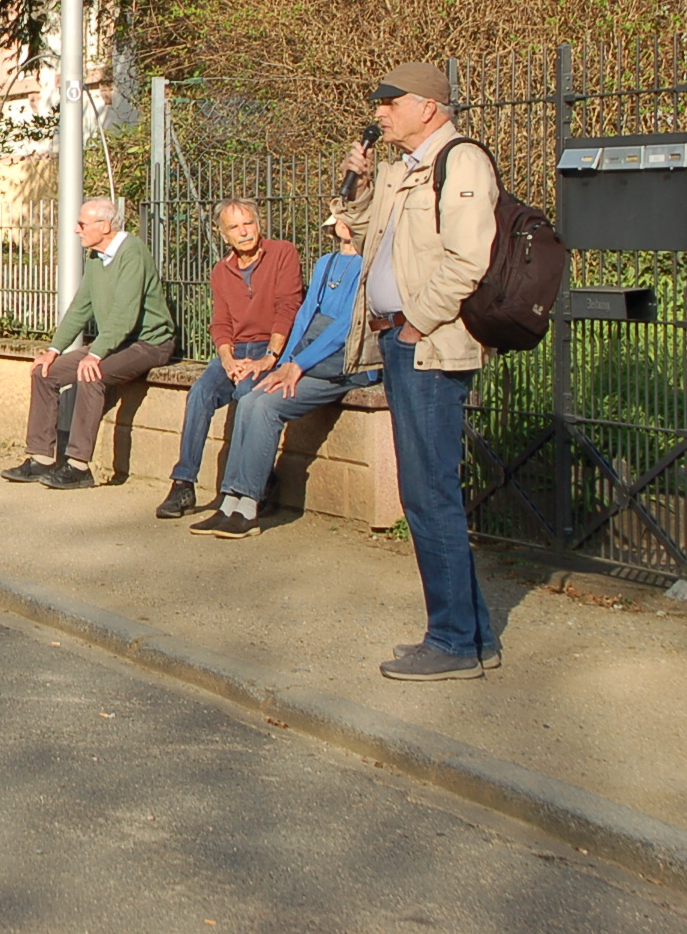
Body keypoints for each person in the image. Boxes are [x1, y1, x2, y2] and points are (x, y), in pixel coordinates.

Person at [336, 62, 501, 681]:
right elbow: (359, 233)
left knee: (430, 494)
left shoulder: (460, 163)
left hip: (430, 346)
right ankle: (471, 634)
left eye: (391, 102)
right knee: (426, 491)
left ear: (429, 107)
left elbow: (467, 261)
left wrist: (414, 323)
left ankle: (453, 642)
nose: (380, 111)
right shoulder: (401, 170)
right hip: (404, 344)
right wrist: (351, 184)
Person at [189, 216, 379, 538]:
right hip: (306, 360)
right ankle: (228, 503)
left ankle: (249, 508)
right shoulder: (327, 262)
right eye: (338, 220)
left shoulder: (372, 264)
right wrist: (284, 360)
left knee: (266, 407)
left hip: (345, 365)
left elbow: (348, 325)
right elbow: (305, 315)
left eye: (349, 217)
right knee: (249, 399)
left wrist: (299, 364)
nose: (342, 225)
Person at [9, 198, 177, 490]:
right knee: (44, 373)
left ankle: (78, 466)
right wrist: (53, 350)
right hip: (116, 342)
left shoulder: (132, 252)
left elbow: (125, 314)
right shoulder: (96, 258)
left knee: (92, 374)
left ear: (105, 226)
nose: (76, 230)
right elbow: (80, 308)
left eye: (82, 224)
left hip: (148, 342)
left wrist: (96, 353)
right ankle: (42, 458)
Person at [156, 200, 303, 519]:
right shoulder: (221, 272)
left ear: (259, 224)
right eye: (234, 227)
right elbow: (220, 323)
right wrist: (226, 358)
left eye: (248, 223)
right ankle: (184, 483)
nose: (244, 232)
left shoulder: (282, 253)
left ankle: (255, 482)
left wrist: (269, 357)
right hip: (235, 351)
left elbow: (287, 308)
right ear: (223, 235)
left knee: (246, 392)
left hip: (271, 346)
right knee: (200, 393)